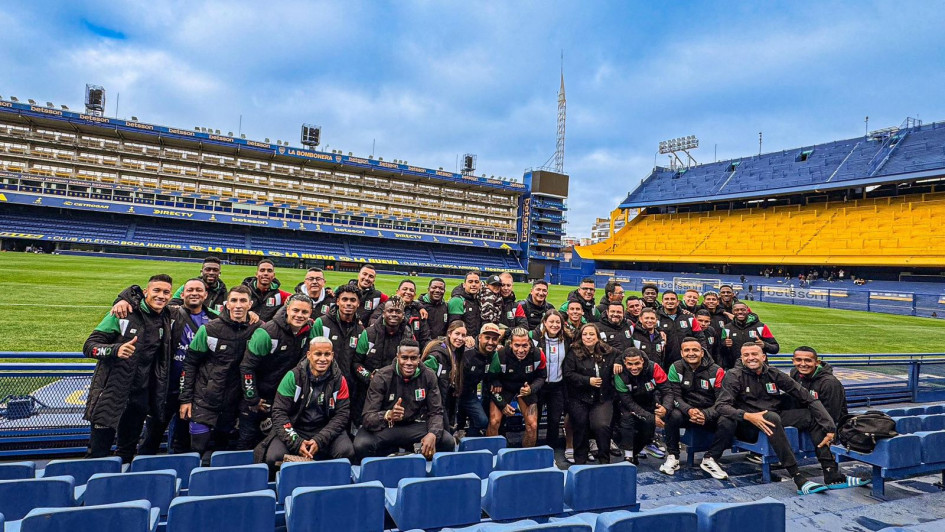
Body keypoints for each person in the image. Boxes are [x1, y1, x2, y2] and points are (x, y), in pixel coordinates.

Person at [714, 344, 839, 494]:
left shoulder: (773, 373)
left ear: (763, 357)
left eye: (754, 354)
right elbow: (721, 406)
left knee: (810, 415)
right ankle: (797, 477)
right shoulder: (734, 375)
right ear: (742, 358)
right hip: (747, 424)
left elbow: (808, 398)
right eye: (746, 355)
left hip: (773, 417)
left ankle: (830, 471)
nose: (750, 358)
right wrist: (747, 415)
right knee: (771, 417)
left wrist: (830, 428)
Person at [83, 274, 175, 462]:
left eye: (166, 292)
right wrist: (115, 350)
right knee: (98, 452)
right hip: (111, 391)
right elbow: (89, 346)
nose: (161, 296)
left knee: (127, 451)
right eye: (156, 290)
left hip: (140, 395)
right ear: (145, 292)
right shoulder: (122, 313)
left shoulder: (166, 316)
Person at [180, 285, 262, 464]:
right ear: (226, 304)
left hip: (234, 400)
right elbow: (190, 363)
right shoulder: (209, 329)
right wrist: (185, 399)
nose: (238, 305)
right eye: (234, 300)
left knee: (221, 449)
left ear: (250, 304)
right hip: (205, 397)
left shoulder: (258, 330)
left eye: (243, 301)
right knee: (198, 448)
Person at [255, 337, 354, 476]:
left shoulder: (340, 380)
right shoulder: (292, 376)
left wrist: (319, 440)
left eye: (327, 354)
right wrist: (297, 442)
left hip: (324, 428)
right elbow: (279, 412)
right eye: (318, 354)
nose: (322, 359)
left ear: (332, 355)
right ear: (309, 355)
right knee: (274, 457)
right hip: (296, 427)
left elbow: (342, 415)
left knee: (346, 451)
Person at [353, 339, 454, 459]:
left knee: (447, 440)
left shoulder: (429, 375)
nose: (409, 362)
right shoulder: (382, 377)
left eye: (413, 358)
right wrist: (388, 415)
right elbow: (367, 417)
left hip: (414, 426)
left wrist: (433, 434)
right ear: (398, 357)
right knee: (361, 444)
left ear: (419, 358)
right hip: (387, 427)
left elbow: (436, 411)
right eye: (404, 358)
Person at [238, 294, 315, 450]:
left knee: (272, 442)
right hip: (260, 397)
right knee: (247, 440)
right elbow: (247, 367)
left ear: (310, 313)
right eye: (296, 310)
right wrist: (252, 398)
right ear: (287, 309)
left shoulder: (309, 331)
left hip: (283, 399)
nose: (300, 315)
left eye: (304, 312)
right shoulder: (267, 333)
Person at [789, 346, 869, 489]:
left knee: (818, 425)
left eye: (808, 360)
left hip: (830, 421)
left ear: (817, 362)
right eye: (799, 360)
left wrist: (830, 432)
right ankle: (831, 473)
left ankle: (832, 474)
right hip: (808, 415)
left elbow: (832, 414)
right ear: (793, 361)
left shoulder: (829, 383)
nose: (803, 364)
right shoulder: (794, 373)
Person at [661, 337, 728, 477]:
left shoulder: (717, 371)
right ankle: (673, 456)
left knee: (728, 419)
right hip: (687, 412)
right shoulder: (676, 367)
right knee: (672, 414)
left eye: (695, 350)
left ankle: (710, 459)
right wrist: (689, 410)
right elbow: (675, 396)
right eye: (687, 350)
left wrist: (706, 414)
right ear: (681, 353)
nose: (691, 353)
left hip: (709, 414)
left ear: (702, 352)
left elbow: (721, 400)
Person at [563, 323, 619, 464]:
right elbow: (568, 374)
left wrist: (619, 362)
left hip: (602, 398)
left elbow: (622, 354)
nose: (588, 337)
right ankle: (580, 462)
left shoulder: (607, 351)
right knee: (580, 425)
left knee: (601, 426)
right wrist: (587, 381)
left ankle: (604, 460)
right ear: (581, 337)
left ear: (598, 337)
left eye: (592, 334)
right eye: (585, 334)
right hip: (579, 398)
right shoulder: (573, 352)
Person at [486, 327, 547, 447]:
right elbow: (490, 380)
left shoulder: (538, 354)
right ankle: (492, 456)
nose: (521, 350)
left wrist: (532, 388)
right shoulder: (500, 355)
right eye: (517, 345)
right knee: (494, 422)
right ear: (510, 344)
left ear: (530, 344)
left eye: (525, 346)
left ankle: (526, 457)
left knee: (533, 425)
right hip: (505, 387)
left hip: (525, 388)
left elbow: (542, 377)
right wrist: (502, 404)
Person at [614, 348, 671, 464]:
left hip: (650, 401)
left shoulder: (654, 368)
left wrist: (665, 407)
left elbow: (667, 390)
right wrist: (651, 418)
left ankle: (637, 451)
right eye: (630, 364)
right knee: (627, 419)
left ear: (642, 361)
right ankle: (628, 456)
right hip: (627, 405)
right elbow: (627, 401)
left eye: (637, 363)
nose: (634, 368)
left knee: (648, 430)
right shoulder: (619, 374)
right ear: (625, 362)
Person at [311, 285, 364, 400]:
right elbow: (310, 355)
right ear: (338, 301)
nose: (349, 303)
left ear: (358, 303)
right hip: (322, 381)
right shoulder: (322, 323)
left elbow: (359, 361)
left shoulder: (361, 330)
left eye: (353, 300)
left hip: (348, 385)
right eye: (345, 299)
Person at [422, 321, 470, 429]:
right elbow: (424, 378)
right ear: (449, 333)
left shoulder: (457, 353)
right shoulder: (437, 355)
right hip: (434, 404)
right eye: (457, 334)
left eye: (463, 335)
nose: (460, 338)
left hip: (447, 400)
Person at [531, 310, 569, 450]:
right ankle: (533, 449)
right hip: (539, 385)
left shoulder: (567, 338)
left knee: (554, 420)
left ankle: (550, 450)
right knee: (536, 419)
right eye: (551, 322)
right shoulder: (536, 338)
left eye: (557, 322)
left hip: (557, 386)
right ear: (544, 323)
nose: (554, 325)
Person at [455, 323, 502, 437]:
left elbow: (491, 374)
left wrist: (495, 380)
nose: (490, 342)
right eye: (487, 338)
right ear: (480, 337)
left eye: (494, 339)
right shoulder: (465, 351)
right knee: (451, 425)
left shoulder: (493, 355)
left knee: (482, 421)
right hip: (453, 395)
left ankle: (469, 441)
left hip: (469, 394)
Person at [370, 280, 431, 345]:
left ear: (415, 295)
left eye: (411, 290)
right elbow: (373, 321)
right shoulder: (385, 306)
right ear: (397, 292)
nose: (408, 292)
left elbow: (425, 337)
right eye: (405, 289)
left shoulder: (419, 312)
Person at [720, 302, 779, 370]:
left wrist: (765, 345)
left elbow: (775, 348)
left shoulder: (761, 327)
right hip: (736, 370)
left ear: (747, 310)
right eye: (737, 310)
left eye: (743, 310)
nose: (740, 312)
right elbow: (721, 351)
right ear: (733, 311)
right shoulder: (727, 328)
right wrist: (725, 345)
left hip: (758, 369)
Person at [657, 290, 707, 368]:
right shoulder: (655, 318)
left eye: (672, 299)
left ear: (677, 302)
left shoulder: (689, 318)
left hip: (687, 360)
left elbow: (700, 337)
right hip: (664, 361)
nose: (670, 301)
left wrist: (703, 355)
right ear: (662, 302)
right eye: (666, 299)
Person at [448, 271, 484, 337]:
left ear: (480, 285)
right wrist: (466, 337)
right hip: (461, 342)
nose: (474, 284)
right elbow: (454, 327)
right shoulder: (457, 300)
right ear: (464, 285)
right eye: (470, 282)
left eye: (476, 282)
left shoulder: (478, 300)